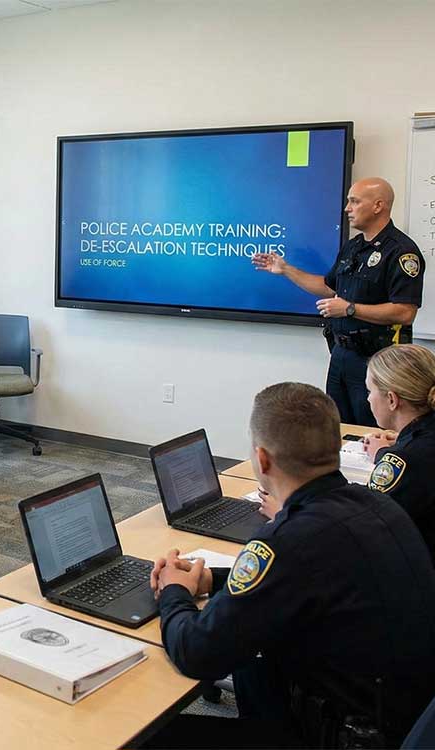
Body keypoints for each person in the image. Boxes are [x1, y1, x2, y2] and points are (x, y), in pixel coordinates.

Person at [148, 382, 435, 748]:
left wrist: (173, 592)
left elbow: (195, 653)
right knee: (254, 660)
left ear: (262, 459)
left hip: (347, 734)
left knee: (157, 737)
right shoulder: (374, 504)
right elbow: (297, 582)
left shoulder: (286, 541)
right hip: (398, 712)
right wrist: (210, 580)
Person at [252, 178, 424, 426]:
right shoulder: (352, 246)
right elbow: (328, 287)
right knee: (339, 430)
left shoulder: (401, 251)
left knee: (370, 431)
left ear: (378, 206)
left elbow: (405, 312)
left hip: (378, 361)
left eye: (354, 201)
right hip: (342, 355)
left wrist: (349, 309)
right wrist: (286, 269)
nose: (347, 208)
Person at [358, 344, 435, 562]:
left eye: (370, 391)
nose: (368, 399)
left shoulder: (405, 460)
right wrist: (402, 441)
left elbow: (364, 524)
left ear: (392, 399)